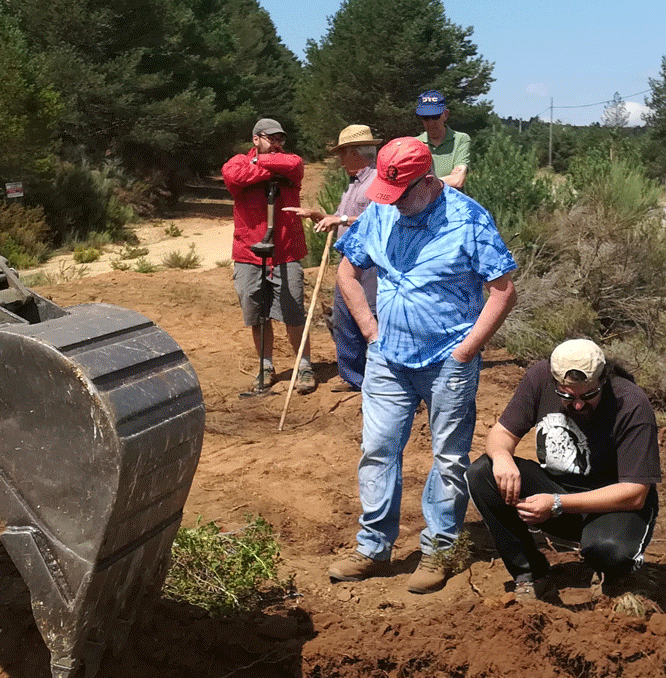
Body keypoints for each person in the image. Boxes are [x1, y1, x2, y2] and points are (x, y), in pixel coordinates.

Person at [329, 138, 517, 593]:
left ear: (428, 181)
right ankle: (373, 546)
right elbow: (347, 272)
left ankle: (440, 550)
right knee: (377, 450)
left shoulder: (468, 219)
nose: (392, 204)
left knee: (448, 457)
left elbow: (503, 289)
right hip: (387, 357)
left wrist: (467, 349)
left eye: (402, 194)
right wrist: (371, 332)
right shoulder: (379, 209)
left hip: (447, 359)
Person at [467, 339, 660, 608]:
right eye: (567, 396)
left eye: (588, 395)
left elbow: (636, 493)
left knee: (607, 551)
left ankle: (620, 577)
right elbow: (501, 434)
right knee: (483, 473)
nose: (578, 405)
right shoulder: (540, 378)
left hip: (614, 505)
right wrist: (501, 457)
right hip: (558, 492)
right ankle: (531, 575)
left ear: (603, 380)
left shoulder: (631, 403)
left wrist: (557, 504)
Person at [220, 119, 313, 395]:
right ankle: (265, 365)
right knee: (256, 312)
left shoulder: (291, 161)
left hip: (286, 251)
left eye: (280, 139)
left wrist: (259, 166)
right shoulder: (238, 161)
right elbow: (233, 175)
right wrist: (266, 168)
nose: (277, 144)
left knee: (294, 310)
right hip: (249, 252)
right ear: (255, 139)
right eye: (271, 139)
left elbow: (294, 166)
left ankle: (304, 365)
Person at [292, 124, 380, 391]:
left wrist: (340, 219)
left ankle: (380, 380)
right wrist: (323, 216)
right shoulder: (354, 184)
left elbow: (377, 218)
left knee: (371, 317)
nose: (340, 160)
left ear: (356, 152)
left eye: (343, 153)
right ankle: (353, 378)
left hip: (371, 262)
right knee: (345, 318)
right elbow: (345, 217)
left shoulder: (377, 181)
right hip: (348, 260)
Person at [414, 90, 470, 190]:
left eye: (435, 117)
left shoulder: (460, 139)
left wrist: (423, 184)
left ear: (446, 115)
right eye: (425, 118)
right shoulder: (414, 144)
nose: (431, 123)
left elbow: (458, 180)